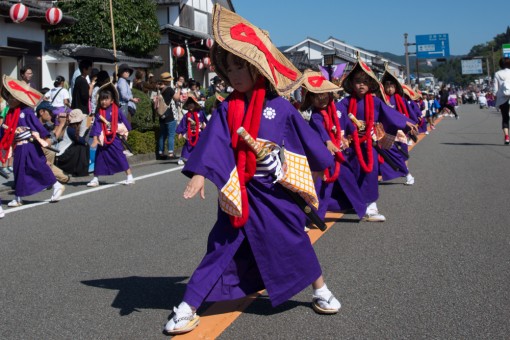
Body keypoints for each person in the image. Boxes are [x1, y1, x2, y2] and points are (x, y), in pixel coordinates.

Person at [163, 5, 340, 335]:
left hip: (274, 192)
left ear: (258, 68)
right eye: (229, 67)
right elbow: (214, 145)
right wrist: (201, 173)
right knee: (219, 248)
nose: (235, 74)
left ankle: (320, 289)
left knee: (294, 241)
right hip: (239, 193)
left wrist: (317, 158)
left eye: (241, 66)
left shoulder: (281, 108)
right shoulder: (226, 107)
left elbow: (304, 146)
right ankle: (187, 306)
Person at [337, 57, 416, 222]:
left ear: (370, 84)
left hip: (369, 144)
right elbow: (336, 119)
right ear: (351, 83)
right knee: (354, 173)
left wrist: (405, 122)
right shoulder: (344, 103)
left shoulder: (375, 101)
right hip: (351, 145)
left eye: (365, 82)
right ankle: (357, 202)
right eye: (358, 81)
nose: (361, 85)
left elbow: (389, 114)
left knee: (371, 173)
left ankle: (371, 206)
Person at [302, 69, 366, 227]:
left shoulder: (338, 110)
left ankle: (363, 209)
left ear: (330, 94)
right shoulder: (316, 116)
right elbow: (320, 131)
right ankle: (316, 217)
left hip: (341, 155)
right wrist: (328, 142)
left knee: (350, 180)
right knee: (323, 189)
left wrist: (350, 134)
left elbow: (349, 126)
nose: (321, 101)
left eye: (324, 96)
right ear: (311, 99)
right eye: (316, 98)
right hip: (325, 159)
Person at [0, 75, 65, 207]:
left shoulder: (27, 112)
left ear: (19, 98)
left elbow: (38, 127)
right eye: (8, 97)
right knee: (18, 170)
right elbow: (5, 130)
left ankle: (57, 185)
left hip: (29, 145)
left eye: (12, 97)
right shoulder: (10, 113)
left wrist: (46, 138)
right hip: (18, 146)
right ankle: (18, 197)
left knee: (38, 166)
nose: (9, 100)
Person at [87, 82, 134, 187]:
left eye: (106, 99)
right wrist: (95, 137)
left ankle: (129, 176)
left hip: (114, 138)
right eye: (102, 99)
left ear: (112, 100)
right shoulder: (99, 112)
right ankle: (95, 178)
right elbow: (97, 125)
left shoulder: (116, 110)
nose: (104, 101)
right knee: (99, 158)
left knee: (120, 156)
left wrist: (127, 131)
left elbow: (124, 121)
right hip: (103, 139)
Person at [35, 100, 70, 184]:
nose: (52, 114)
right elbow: (49, 142)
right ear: (41, 112)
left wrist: (64, 124)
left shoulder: (47, 124)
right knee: (49, 151)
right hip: (33, 154)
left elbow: (58, 137)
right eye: (50, 112)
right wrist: (61, 124)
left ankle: (46, 176)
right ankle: (43, 178)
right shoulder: (35, 124)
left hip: (40, 154)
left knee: (65, 178)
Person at [55, 109, 90, 177]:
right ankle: (81, 170)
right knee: (82, 146)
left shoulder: (70, 128)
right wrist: (86, 128)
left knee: (82, 146)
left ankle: (80, 169)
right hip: (62, 156)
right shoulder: (71, 130)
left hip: (63, 154)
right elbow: (81, 140)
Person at [156, 72, 182, 159]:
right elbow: (177, 98)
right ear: (167, 81)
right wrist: (179, 89)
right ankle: (170, 153)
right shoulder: (169, 89)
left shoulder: (159, 89)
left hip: (161, 115)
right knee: (171, 135)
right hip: (169, 114)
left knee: (162, 134)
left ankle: (161, 152)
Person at [175, 95, 207, 166]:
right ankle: (183, 158)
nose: (190, 106)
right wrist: (180, 132)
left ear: (195, 105)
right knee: (188, 145)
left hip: (199, 132)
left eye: (192, 104)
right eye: (189, 105)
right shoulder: (187, 115)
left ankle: (199, 158)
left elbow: (205, 122)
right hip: (190, 132)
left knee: (199, 145)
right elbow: (183, 124)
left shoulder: (200, 113)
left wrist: (203, 126)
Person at [493, 57, 510, 144]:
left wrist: (496, 99)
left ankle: (507, 137)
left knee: (505, 118)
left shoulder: (497, 74)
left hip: (503, 99)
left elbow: (495, 89)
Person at [49, 75, 71, 140]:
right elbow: (66, 102)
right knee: (72, 113)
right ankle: (54, 139)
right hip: (60, 111)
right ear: (62, 83)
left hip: (52, 110)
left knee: (55, 127)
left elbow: (45, 98)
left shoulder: (52, 90)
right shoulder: (64, 90)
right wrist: (71, 106)